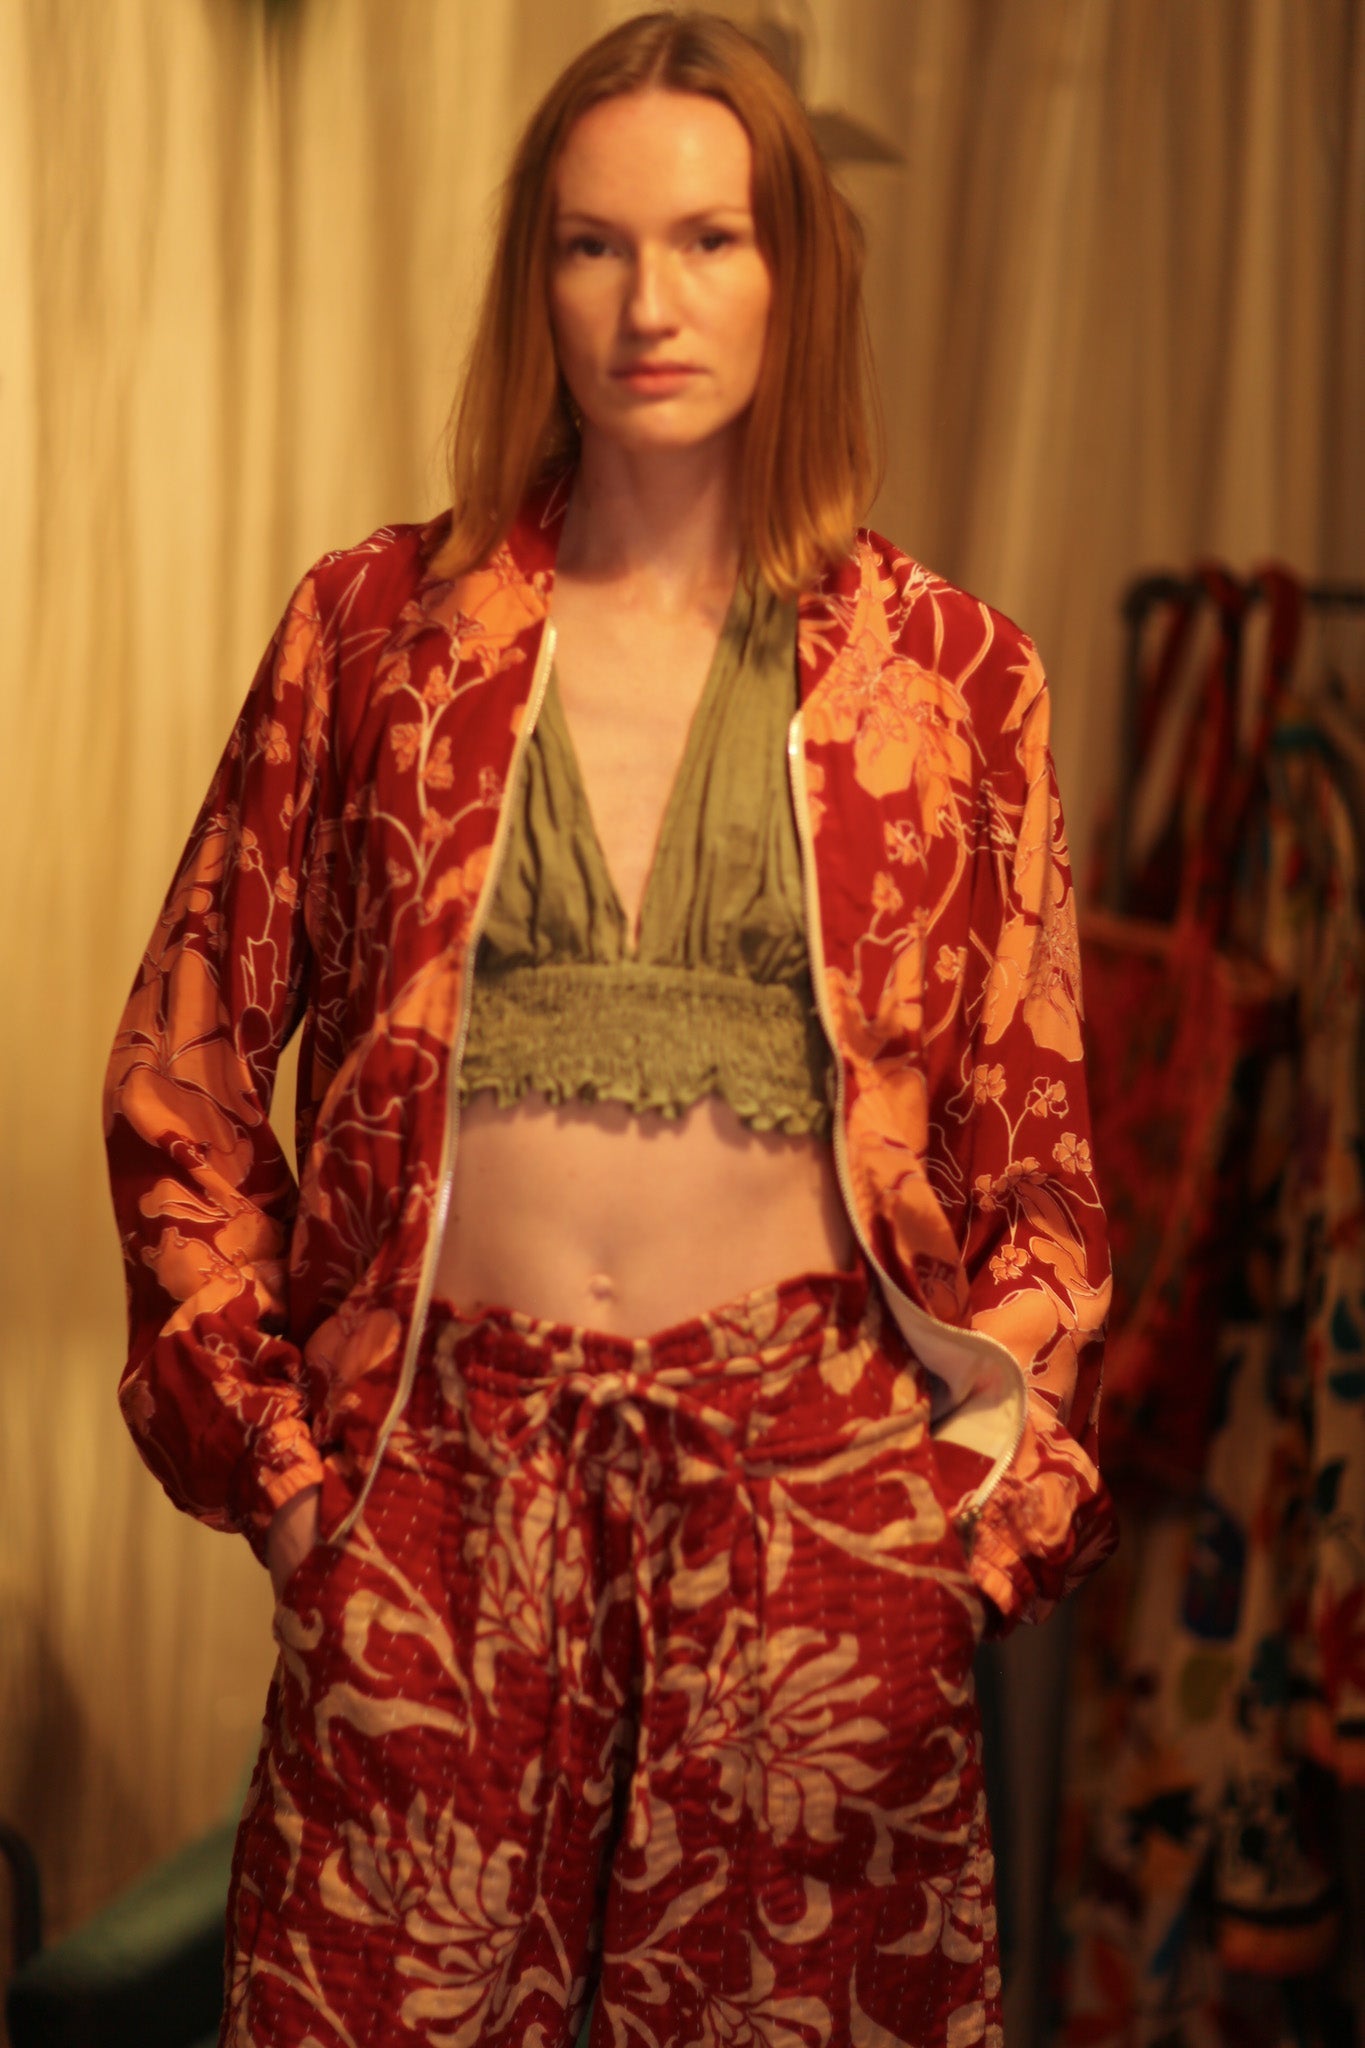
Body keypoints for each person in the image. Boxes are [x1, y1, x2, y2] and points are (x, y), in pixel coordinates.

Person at [104, 12, 1116, 2045]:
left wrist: (966, 1528)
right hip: (430, 1489)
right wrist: (287, 1470)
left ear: (790, 270)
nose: (650, 303)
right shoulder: (373, 632)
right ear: (533, 277)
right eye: (594, 245)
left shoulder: (952, 678)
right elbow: (181, 1068)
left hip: (821, 1513)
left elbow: (1040, 1173)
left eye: (708, 240)